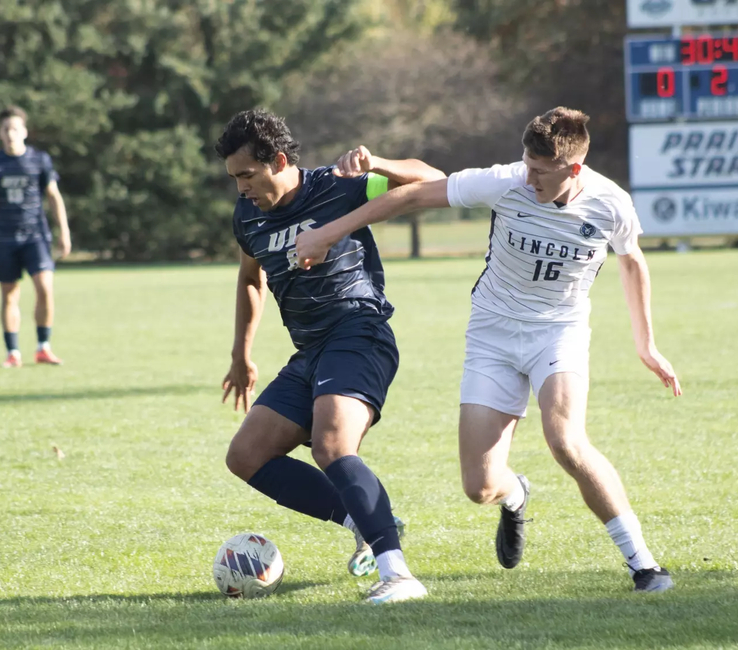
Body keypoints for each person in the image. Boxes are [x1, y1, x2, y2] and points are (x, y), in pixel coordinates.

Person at [296, 107, 681, 593]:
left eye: (541, 170)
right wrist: (330, 232)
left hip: (556, 333)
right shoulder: (506, 181)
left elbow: (632, 262)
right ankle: (515, 493)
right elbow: (412, 196)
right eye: (526, 163)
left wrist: (646, 345)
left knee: (566, 441)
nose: (530, 176)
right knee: (479, 487)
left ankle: (644, 565)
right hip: (492, 335)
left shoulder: (612, 204)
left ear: (574, 169)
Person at [216, 109, 445, 604]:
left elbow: (436, 182)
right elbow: (251, 279)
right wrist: (241, 354)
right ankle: (364, 522)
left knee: (333, 443)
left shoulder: (340, 186)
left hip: (359, 333)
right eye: (233, 178)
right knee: (246, 456)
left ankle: (399, 575)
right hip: (310, 352)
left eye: (247, 176)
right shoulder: (248, 215)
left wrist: (377, 162)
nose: (240, 188)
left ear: (278, 160)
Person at [0, 106, 71, 368]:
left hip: (35, 236)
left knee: (45, 289)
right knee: (9, 295)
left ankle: (43, 347)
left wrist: (64, 230)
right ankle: (13, 352)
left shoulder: (39, 160)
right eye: (6, 129)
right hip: (4, 237)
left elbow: (53, 196)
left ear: (25, 132)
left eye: (15, 129)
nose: (11, 134)